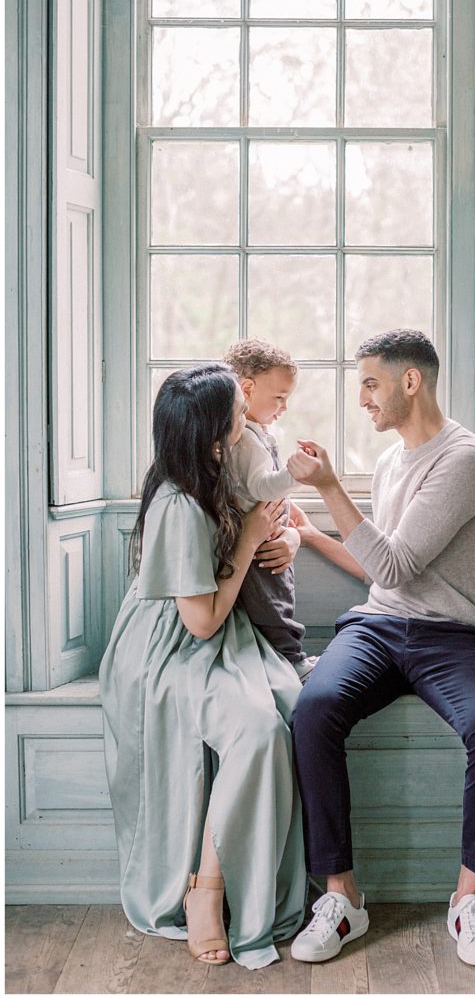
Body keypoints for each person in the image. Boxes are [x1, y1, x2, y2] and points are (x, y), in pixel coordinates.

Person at [285, 329, 475, 968]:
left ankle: (468, 899)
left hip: (453, 637)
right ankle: (342, 899)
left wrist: (329, 487)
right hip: (379, 628)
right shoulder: (391, 463)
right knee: (314, 709)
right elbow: (378, 573)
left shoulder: (465, 461)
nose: (361, 397)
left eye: (369, 382)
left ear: (409, 381)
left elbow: (393, 563)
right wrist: (311, 535)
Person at [99, 363, 307, 970]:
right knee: (258, 729)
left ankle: (237, 883)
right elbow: (201, 621)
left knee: (294, 708)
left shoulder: (220, 466)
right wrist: (245, 540)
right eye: (237, 412)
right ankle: (205, 890)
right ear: (214, 434)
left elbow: (280, 516)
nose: (248, 413)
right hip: (171, 646)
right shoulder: (179, 504)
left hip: (222, 630)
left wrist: (284, 537)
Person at [223, 338, 317, 681]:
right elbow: (260, 486)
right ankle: (291, 659)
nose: (284, 407)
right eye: (279, 398)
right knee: (272, 605)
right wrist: (294, 474)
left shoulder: (258, 433)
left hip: (268, 537)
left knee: (278, 599)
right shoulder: (246, 439)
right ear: (247, 389)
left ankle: (286, 658)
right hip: (257, 543)